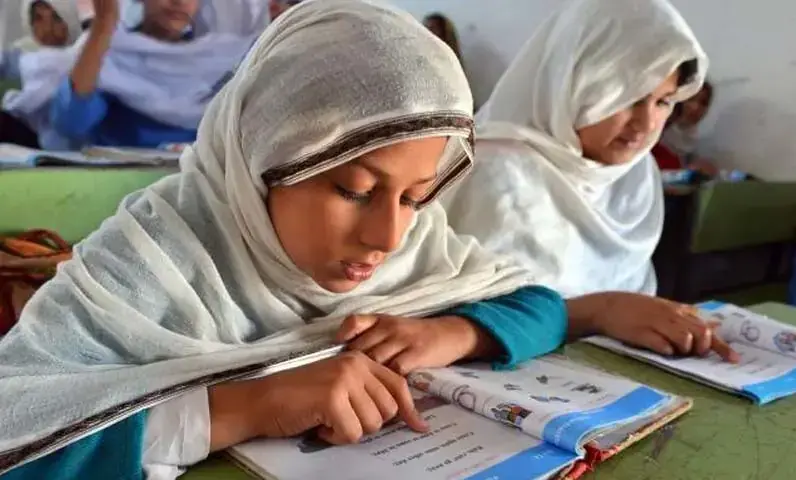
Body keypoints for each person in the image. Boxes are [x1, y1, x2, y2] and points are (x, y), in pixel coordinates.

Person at [0, 2, 733, 479]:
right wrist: (245, 407)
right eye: (354, 190)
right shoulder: (158, 259)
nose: (388, 235)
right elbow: (17, 431)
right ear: (261, 156)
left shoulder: (416, 247)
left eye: (417, 197)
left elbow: (536, 301)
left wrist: (450, 331)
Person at [443, 0, 740, 360]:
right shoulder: (494, 170)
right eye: (629, 98)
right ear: (573, 81)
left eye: (664, 102)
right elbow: (459, 323)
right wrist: (604, 312)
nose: (646, 125)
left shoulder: (634, 174)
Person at [47, 0, 254, 148]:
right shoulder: (111, 51)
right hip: (117, 189)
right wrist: (104, 24)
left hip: (195, 190)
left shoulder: (219, 59)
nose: (178, 2)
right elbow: (71, 122)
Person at [0, 0, 83, 148]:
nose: (47, 28)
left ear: (70, 18)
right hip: (24, 124)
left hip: (52, 138)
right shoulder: (27, 53)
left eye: (56, 18)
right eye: (38, 18)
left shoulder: (82, 55)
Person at [654, 81, 718, 173]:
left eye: (703, 103)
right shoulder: (654, 135)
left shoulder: (692, 140)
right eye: (691, 99)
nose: (695, 107)